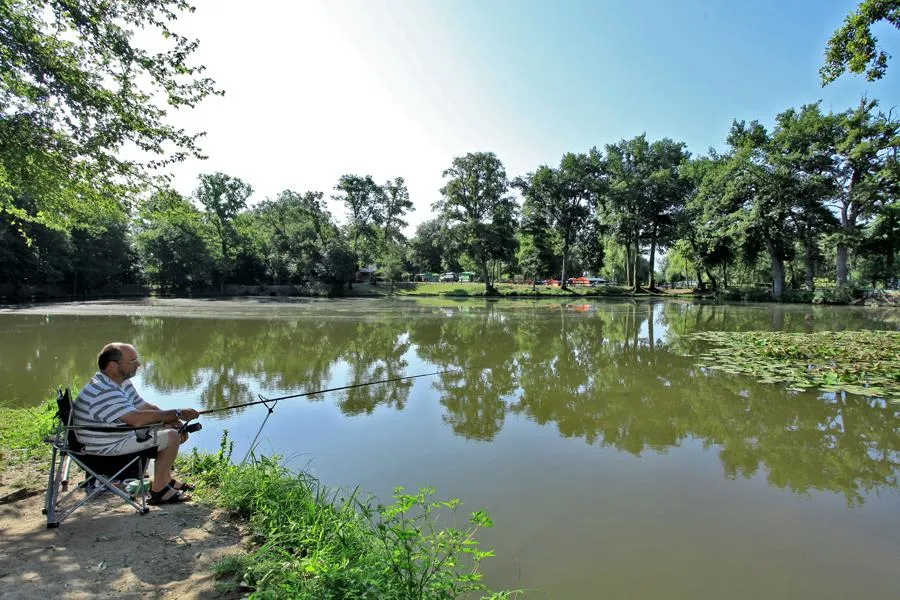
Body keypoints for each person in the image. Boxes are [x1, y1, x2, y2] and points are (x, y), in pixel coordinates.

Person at [73, 342, 200, 505]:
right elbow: (137, 419)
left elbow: (145, 407)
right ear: (113, 366)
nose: (138, 365)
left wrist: (172, 420)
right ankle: (159, 491)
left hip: (113, 437)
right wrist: (178, 412)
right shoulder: (104, 390)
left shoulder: (120, 382)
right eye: (132, 361)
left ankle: (165, 480)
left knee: (170, 429)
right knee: (171, 436)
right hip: (100, 452)